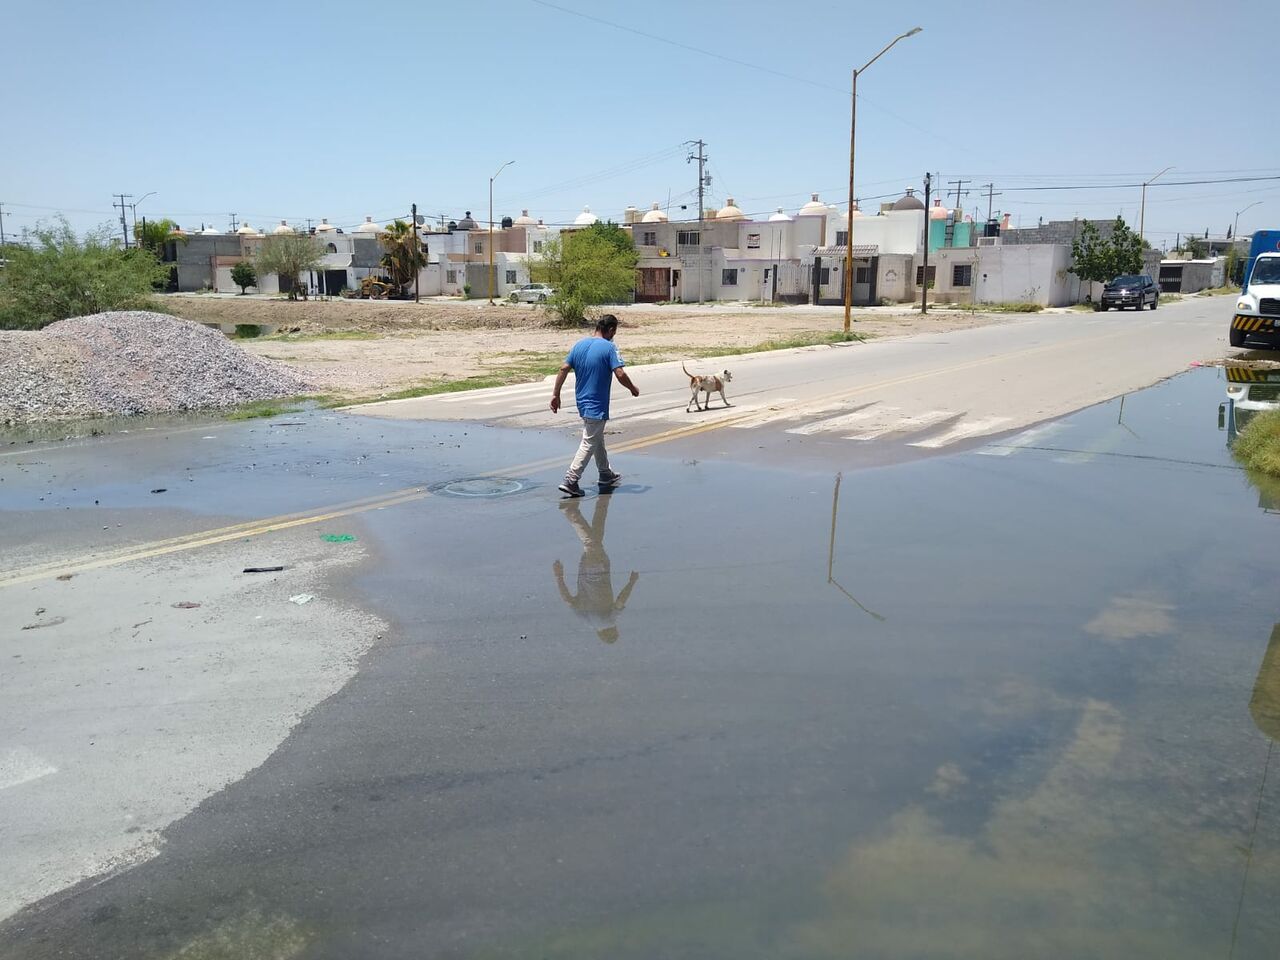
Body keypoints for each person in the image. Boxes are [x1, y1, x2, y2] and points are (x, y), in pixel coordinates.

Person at [550, 314, 639, 497]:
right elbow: (620, 373)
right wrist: (633, 388)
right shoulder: (609, 347)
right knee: (589, 441)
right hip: (596, 403)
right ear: (612, 330)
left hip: (581, 401)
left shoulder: (579, 345)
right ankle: (571, 480)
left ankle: (605, 474)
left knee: (596, 437)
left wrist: (555, 394)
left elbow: (563, 369)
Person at [554, 496, 639, 643]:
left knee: (591, 543)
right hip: (585, 569)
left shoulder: (609, 621)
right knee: (597, 537)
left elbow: (620, 601)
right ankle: (602, 502)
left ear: (613, 631)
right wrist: (559, 576)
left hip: (599, 570)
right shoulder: (586, 620)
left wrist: (631, 582)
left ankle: (570, 512)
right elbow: (568, 600)